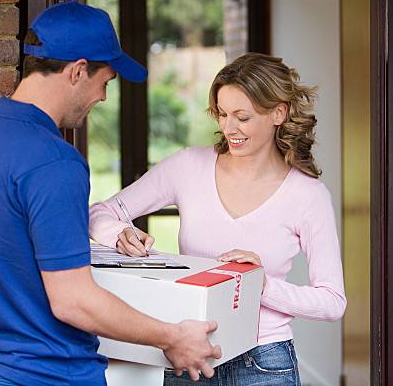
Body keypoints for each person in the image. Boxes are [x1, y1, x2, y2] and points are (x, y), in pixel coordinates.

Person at [0, 1, 221, 386]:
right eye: (104, 82)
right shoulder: (54, 161)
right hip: (47, 374)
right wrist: (172, 337)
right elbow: (73, 300)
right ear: (77, 71)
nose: (103, 97)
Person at [89, 52, 347, 385]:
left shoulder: (308, 195)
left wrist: (262, 284)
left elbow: (332, 302)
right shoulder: (187, 167)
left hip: (264, 362)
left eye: (242, 116)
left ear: (278, 113)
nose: (228, 128)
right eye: (222, 114)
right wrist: (118, 232)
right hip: (188, 353)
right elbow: (100, 212)